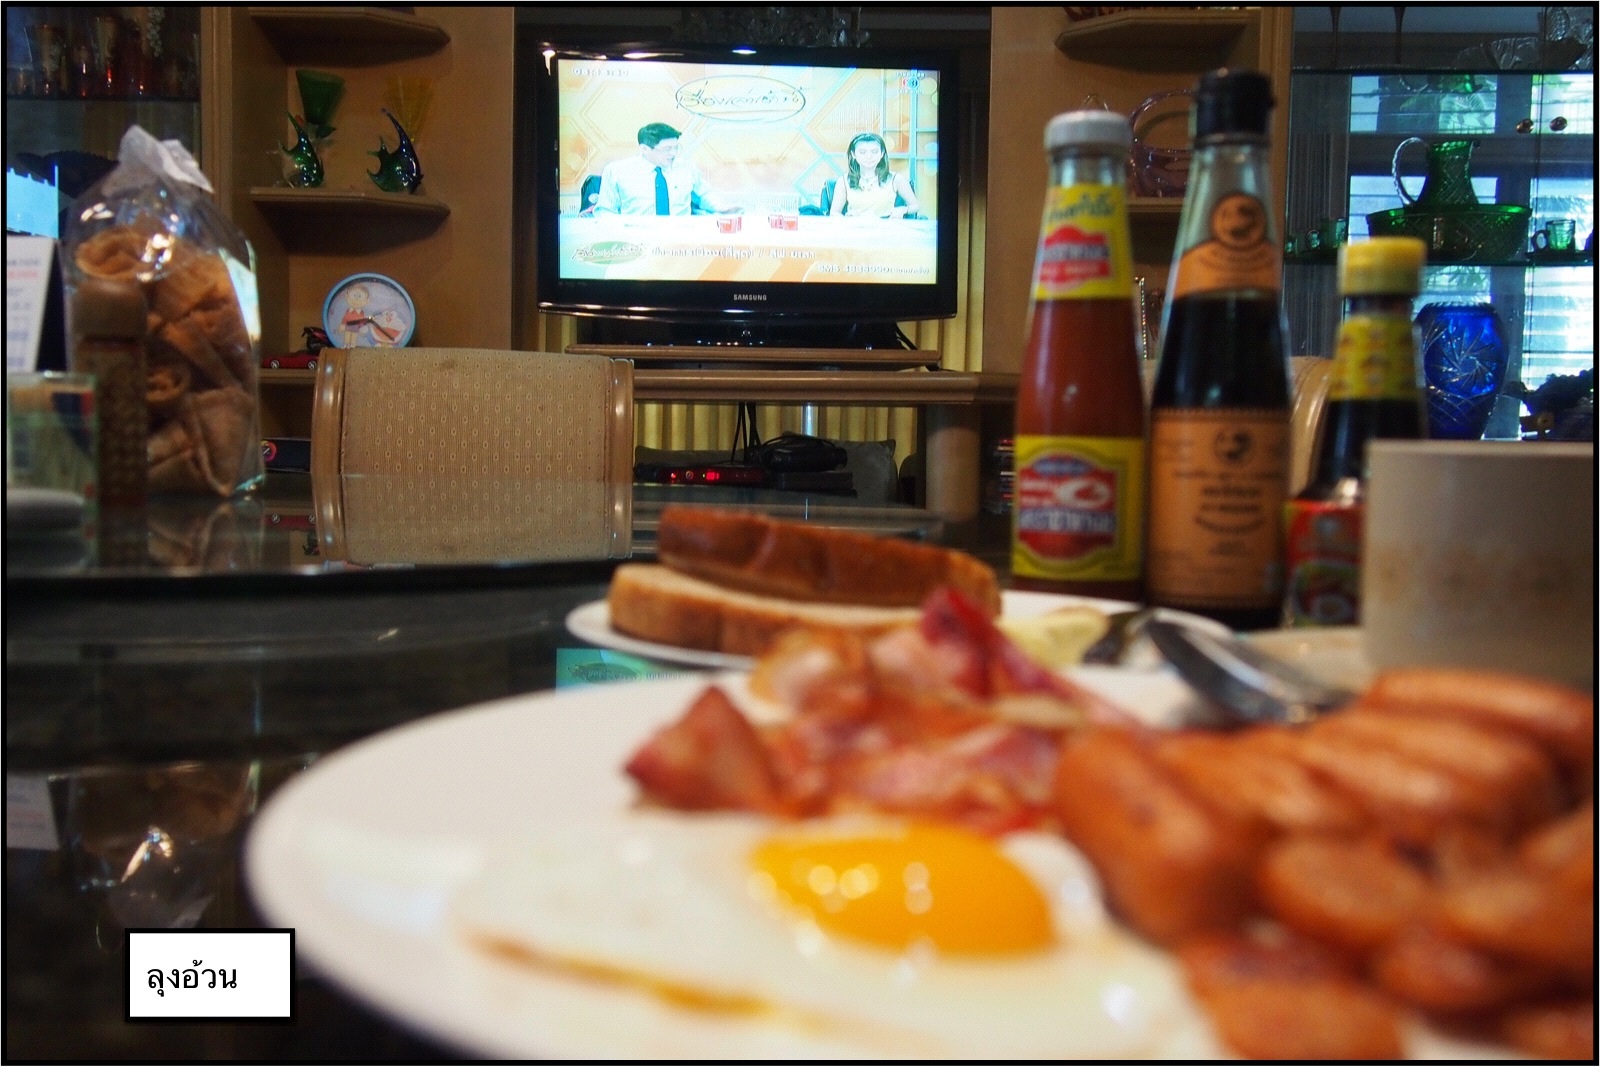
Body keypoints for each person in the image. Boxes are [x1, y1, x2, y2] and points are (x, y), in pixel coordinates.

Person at [591, 122, 729, 216]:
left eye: (676, 148)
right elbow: (605, 211)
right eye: (667, 149)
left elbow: (704, 195)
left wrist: (721, 207)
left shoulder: (687, 168)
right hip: (636, 239)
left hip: (681, 239)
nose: (673, 153)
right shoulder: (617, 171)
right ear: (645, 149)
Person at [830, 133, 920, 219]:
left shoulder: (896, 179)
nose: (869, 156)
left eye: (874, 152)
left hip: (886, 226)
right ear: (853, 154)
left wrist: (903, 210)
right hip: (855, 226)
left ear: (882, 153)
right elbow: (834, 213)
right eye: (862, 152)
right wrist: (846, 220)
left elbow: (915, 205)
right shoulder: (844, 181)